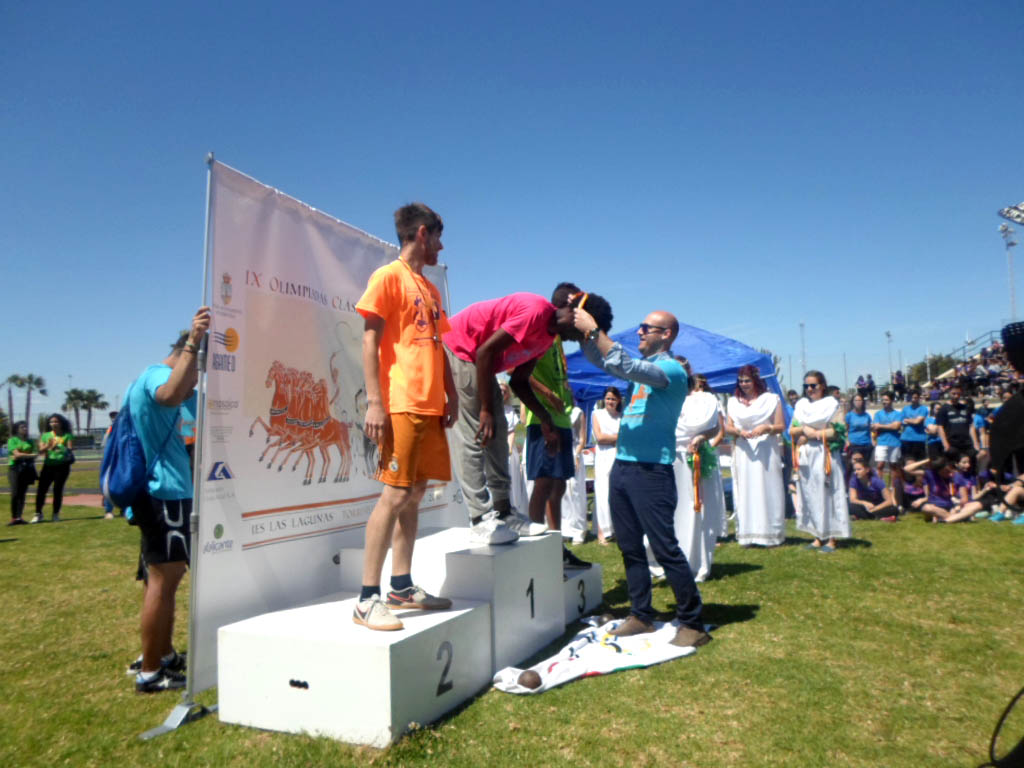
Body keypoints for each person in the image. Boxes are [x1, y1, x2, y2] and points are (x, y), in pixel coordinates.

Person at [572, 306, 710, 648]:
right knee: (630, 546)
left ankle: (692, 622)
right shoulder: (643, 371)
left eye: (647, 328)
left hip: (651, 471)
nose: (639, 332)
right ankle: (641, 614)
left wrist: (595, 331)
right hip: (623, 467)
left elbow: (627, 365)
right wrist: (584, 335)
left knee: (664, 548)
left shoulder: (671, 369)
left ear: (666, 335)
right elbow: (607, 362)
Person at [352, 203, 457, 631]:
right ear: (422, 233)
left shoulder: (430, 288)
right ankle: (366, 599)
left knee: (415, 494)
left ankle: (401, 585)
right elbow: (369, 341)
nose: (441, 246)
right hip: (401, 401)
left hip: (430, 405)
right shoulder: (388, 276)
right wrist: (374, 402)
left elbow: (439, 346)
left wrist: (450, 393)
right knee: (394, 495)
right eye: (438, 237)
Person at [443, 291, 612, 545]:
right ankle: (479, 518)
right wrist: (486, 409)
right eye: (585, 332)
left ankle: (504, 511)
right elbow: (485, 351)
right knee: (473, 434)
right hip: (460, 347)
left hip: (480, 359)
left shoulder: (546, 338)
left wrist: (545, 418)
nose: (582, 339)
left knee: (498, 435)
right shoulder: (535, 311)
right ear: (575, 314)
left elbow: (519, 382)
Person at [127, 306, 209, 692]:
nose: (198, 380)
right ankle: (149, 671)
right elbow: (170, 393)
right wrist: (195, 342)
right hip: (166, 492)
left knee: (161, 579)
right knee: (163, 580)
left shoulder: (149, 377)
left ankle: (161, 653)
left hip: (160, 491)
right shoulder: (160, 377)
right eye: (199, 368)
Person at [522, 283, 593, 568]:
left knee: (559, 484)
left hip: (562, 418)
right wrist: (547, 393)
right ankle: (536, 549)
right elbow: (516, 370)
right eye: (576, 308)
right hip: (542, 419)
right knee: (543, 483)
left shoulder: (557, 339)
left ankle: (557, 546)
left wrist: (565, 391)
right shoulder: (539, 330)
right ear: (565, 304)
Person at [666, 371, 727, 581]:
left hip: (696, 457)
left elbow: (716, 427)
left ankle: (699, 563)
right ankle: (674, 561)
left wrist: (701, 437)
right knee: (675, 510)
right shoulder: (666, 399)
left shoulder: (705, 400)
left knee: (697, 509)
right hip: (672, 458)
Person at [726, 365, 786, 547]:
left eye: (747, 381)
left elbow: (781, 426)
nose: (744, 384)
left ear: (756, 381)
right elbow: (728, 427)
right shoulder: (733, 402)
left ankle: (770, 534)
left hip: (765, 450)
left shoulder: (771, 399)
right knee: (746, 490)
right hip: (744, 450)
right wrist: (739, 431)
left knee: (768, 488)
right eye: (741, 381)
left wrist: (766, 428)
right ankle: (749, 534)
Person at [790, 370, 850, 552]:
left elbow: (838, 430)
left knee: (829, 493)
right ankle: (817, 535)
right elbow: (792, 430)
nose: (809, 389)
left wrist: (814, 433)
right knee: (811, 493)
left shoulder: (832, 405)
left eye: (813, 385)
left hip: (825, 453)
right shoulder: (801, 405)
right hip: (807, 454)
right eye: (806, 386)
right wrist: (805, 430)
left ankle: (832, 538)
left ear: (822, 386)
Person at [590, 386, 621, 545]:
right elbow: (600, 437)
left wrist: (614, 438)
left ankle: (615, 528)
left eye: (613, 399)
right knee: (602, 492)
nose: (610, 401)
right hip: (603, 456)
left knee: (616, 493)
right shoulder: (597, 414)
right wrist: (618, 437)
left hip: (618, 455)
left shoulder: (621, 417)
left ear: (618, 400)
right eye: (608, 398)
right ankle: (602, 531)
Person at [31, 413, 74, 523]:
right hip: (48, 466)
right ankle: (38, 513)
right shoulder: (45, 436)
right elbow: (41, 451)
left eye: (56, 421)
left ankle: (55, 514)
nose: (54, 424)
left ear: (61, 423)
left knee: (57, 490)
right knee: (41, 490)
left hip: (62, 466)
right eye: (51, 422)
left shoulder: (67, 435)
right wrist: (48, 446)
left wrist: (58, 446)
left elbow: (69, 449)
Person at [936, 384, 979, 459]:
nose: (956, 396)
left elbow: (971, 426)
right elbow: (940, 427)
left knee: (974, 460)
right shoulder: (944, 409)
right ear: (949, 393)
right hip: (952, 443)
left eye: (958, 394)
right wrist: (945, 444)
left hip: (967, 443)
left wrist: (975, 443)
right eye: (954, 394)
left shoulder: (965, 408)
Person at [7, 421, 37, 525]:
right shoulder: (12, 440)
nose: (25, 429)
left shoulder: (30, 441)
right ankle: (14, 517)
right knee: (15, 493)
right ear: (17, 429)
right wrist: (28, 455)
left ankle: (19, 517)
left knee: (22, 494)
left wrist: (21, 455)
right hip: (15, 468)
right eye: (22, 427)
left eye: (26, 427)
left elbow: (35, 454)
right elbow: (16, 454)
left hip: (27, 468)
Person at [871, 391, 903, 482]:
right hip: (881, 442)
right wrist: (890, 426)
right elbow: (875, 427)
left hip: (894, 442)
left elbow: (896, 426)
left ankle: (893, 487)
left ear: (891, 400)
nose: (884, 402)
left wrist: (881, 426)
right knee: (880, 466)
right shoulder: (878, 414)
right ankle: (880, 486)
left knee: (893, 466)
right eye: (883, 400)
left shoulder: (897, 414)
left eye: (886, 400)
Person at [844, 393, 874, 472]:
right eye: (856, 400)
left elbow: (870, 429)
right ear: (853, 402)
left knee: (865, 467)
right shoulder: (849, 415)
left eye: (859, 400)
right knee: (854, 467)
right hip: (854, 445)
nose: (858, 402)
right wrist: (847, 440)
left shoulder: (867, 415)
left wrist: (873, 440)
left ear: (862, 402)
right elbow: (846, 430)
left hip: (866, 444)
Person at [899, 389, 929, 462]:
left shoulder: (923, 409)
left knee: (919, 462)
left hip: (919, 439)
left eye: (915, 398)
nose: (913, 399)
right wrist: (913, 420)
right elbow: (902, 421)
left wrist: (908, 420)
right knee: (906, 462)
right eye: (912, 397)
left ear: (919, 398)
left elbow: (917, 421)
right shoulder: (905, 409)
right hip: (906, 439)